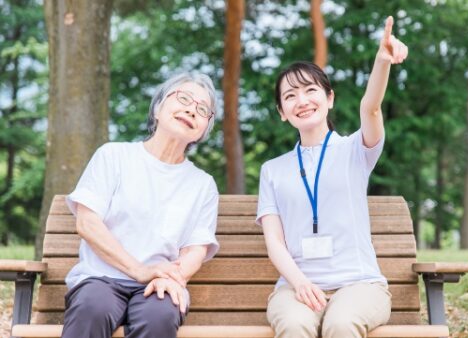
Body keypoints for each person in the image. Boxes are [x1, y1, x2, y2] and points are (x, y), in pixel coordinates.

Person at [256, 16, 408, 338]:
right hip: (296, 287)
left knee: (340, 323)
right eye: (290, 96)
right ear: (282, 112)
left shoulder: (356, 149)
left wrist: (383, 61)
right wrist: (299, 283)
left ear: (329, 98)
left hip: (360, 285)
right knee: (295, 325)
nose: (302, 101)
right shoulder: (272, 170)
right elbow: (275, 243)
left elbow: (371, 108)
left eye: (310, 90)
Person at [61, 72, 220, 338]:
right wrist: (139, 270)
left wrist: (172, 277)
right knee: (94, 306)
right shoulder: (113, 156)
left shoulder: (202, 184)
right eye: (183, 98)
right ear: (158, 107)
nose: (191, 109)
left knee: (160, 314)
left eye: (202, 109)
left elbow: (196, 250)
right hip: (101, 279)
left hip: (159, 284)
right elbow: (87, 223)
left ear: (204, 129)